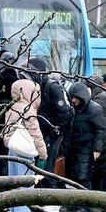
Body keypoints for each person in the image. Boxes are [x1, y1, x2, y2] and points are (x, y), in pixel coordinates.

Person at [2, 79, 48, 212]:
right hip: (25, 151)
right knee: (25, 184)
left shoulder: (12, 108)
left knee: (13, 182)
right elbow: (36, 134)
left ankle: (13, 211)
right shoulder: (28, 110)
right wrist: (43, 154)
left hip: (12, 149)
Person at [25, 58, 74, 187]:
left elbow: (64, 112)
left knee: (47, 168)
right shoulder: (37, 86)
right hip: (41, 132)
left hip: (50, 134)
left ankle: (47, 195)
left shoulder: (52, 87)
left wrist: (54, 131)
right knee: (39, 166)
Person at [67, 82, 106, 212]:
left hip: (86, 147)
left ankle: (85, 206)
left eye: (75, 97)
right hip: (74, 147)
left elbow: (100, 130)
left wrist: (97, 149)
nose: (73, 100)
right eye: (72, 97)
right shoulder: (74, 109)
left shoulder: (94, 109)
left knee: (83, 177)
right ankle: (78, 203)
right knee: (75, 177)